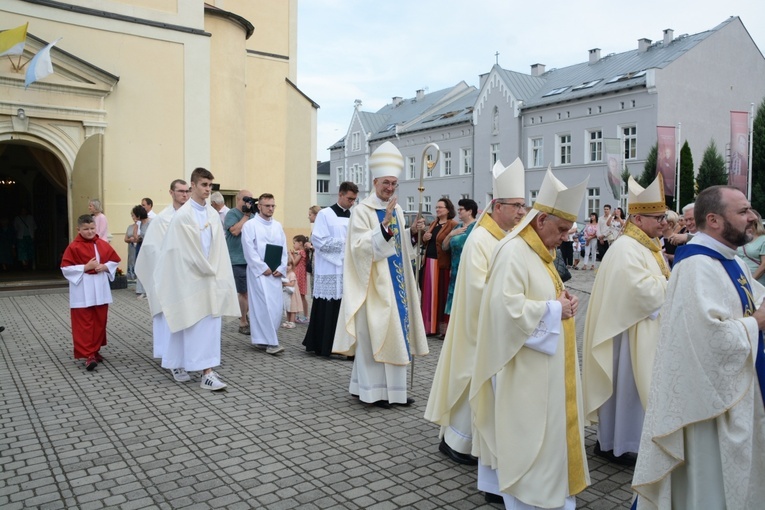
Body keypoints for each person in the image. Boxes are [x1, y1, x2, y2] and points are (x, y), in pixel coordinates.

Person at [632, 185, 765, 509]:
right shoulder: (697, 267)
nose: (752, 218)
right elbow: (709, 339)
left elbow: (748, 300)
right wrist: (757, 323)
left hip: (731, 393)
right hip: (707, 408)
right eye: (743, 211)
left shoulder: (728, 260)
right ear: (714, 220)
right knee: (708, 486)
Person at [470, 167, 589, 508]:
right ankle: (530, 498)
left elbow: (546, 291)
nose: (566, 237)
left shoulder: (541, 252)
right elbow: (503, 309)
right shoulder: (512, 252)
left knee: (551, 436)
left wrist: (565, 298)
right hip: (523, 370)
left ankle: (551, 494)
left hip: (546, 367)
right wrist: (553, 310)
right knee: (529, 438)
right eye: (562, 229)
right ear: (541, 222)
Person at [425, 158, 526, 473]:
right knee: (470, 380)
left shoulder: (502, 235)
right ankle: (457, 442)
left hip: (492, 323)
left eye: (524, 206)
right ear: (497, 206)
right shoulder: (481, 238)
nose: (522, 212)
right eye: (516, 206)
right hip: (477, 326)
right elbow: (478, 287)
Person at [582, 175, 670, 466]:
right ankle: (618, 445)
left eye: (663, 216)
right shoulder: (625, 248)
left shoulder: (649, 245)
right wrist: (677, 283)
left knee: (635, 392)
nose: (663, 222)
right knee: (627, 390)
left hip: (645, 331)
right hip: (627, 335)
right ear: (638, 218)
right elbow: (638, 291)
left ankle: (630, 441)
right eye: (657, 217)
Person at [333, 141, 428, 408]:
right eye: (386, 182)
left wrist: (411, 232)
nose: (389, 188)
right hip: (373, 285)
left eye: (394, 183)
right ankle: (372, 392)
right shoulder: (362, 211)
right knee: (373, 335)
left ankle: (393, 391)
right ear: (375, 181)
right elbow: (359, 248)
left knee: (396, 335)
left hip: (396, 283)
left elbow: (401, 246)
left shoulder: (396, 209)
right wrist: (384, 226)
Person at [152, 168, 239, 390]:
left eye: (210, 185)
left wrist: (216, 272)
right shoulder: (183, 216)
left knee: (208, 326)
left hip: (209, 279)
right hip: (189, 279)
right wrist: (208, 268)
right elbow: (183, 251)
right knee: (185, 322)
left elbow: (219, 248)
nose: (208, 189)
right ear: (193, 186)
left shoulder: (211, 214)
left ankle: (207, 371)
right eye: (204, 185)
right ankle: (179, 363)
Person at [135, 179, 190, 372]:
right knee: (170, 318)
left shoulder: (194, 216)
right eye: (181, 191)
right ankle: (171, 357)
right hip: (169, 277)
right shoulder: (162, 219)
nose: (185, 194)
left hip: (190, 277)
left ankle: (188, 356)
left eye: (187, 191)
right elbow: (151, 249)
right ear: (171, 193)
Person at [302, 182, 358, 357]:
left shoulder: (355, 216)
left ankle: (343, 346)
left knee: (344, 307)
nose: (352, 203)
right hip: (329, 267)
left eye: (354, 200)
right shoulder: (325, 214)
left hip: (347, 269)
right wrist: (345, 247)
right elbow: (319, 241)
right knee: (328, 307)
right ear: (340, 195)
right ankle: (323, 345)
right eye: (349, 199)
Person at [61, 214, 121, 371]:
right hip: (83, 289)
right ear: (78, 229)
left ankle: (95, 350)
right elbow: (65, 269)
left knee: (99, 320)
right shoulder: (73, 247)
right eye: (86, 229)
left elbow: (114, 260)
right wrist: (85, 267)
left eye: (92, 229)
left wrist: (105, 266)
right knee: (84, 323)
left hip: (100, 288)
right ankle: (88, 355)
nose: (89, 232)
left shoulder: (101, 243)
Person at [242, 193, 289, 355]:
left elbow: (284, 249)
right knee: (263, 307)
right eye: (267, 205)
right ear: (259, 206)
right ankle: (272, 343)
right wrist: (262, 267)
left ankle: (263, 339)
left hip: (275, 274)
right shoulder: (250, 225)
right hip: (259, 274)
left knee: (275, 308)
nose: (270, 209)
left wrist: (282, 267)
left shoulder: (277, 226)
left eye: (273, 206)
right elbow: (249, 250)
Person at [413, 198, 457, 337]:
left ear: (448, 209)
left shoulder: (452, 225)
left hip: (441, 264)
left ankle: (441, 328)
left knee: (440, 295)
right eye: (436, 207)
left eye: (440, 207)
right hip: (429, 262)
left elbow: (452, 244)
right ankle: (428, 326)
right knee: (428, 295)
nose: (437, 210)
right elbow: (426, 243)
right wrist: (425, 238)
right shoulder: (433, 223)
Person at [224, 190, 256, 335]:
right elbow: (235, 231)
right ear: (238, 199)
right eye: (245, 199)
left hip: (253, 259)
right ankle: (243, 321)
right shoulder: (232, 214)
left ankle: (246, 314)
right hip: (237, 259)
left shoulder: (255, 214)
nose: (248, 202)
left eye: (250, 200)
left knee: (252, 292)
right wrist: (246, 216)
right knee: (243, 292)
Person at [441, 198, 478, 318]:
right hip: (455, 269)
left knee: (467, 298)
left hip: (469, 269)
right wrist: (451, 234)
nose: (459, 212)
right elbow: (444, 246)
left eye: (461, 209)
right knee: (455, 299)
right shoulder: (457, 227)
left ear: (470, 211)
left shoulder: (476, 227)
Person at [737, 209, 765, 286]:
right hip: (740, 277)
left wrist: (751, 280)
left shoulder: (763, 239)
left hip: (756, 279)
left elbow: (764, 265)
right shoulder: (740, 238)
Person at [132, 205, 151, 299]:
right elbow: (136, 235)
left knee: (149, 270)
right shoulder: (140, 224)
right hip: (142, 248)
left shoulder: (151, 222)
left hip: (150, 250)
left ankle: (149, 292)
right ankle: (142, 290)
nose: (134, 217)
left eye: (135, 215)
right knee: (141, 268)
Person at [291, 235, 310, 323]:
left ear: (300, 243)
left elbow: (294, 263)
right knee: (300, 296)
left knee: (300, 296)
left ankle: (304, 316)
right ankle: (301, 315)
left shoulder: (301, 252)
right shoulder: (302, 252)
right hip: (301, 274)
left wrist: (290, 256)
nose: (293, 245)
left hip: (299, 275)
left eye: (294, 243)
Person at [281, 256, 300, 329]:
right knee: (288, 308)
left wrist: (284, 284)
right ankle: (288, 321)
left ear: (292, 266)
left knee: (292, 308)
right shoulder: (285, 274)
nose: (287, 267)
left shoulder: (292, 274)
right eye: (285, 265)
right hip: (287, 294)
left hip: (292, 294)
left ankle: (292, 322)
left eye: (288, 265)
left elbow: (292, 284)